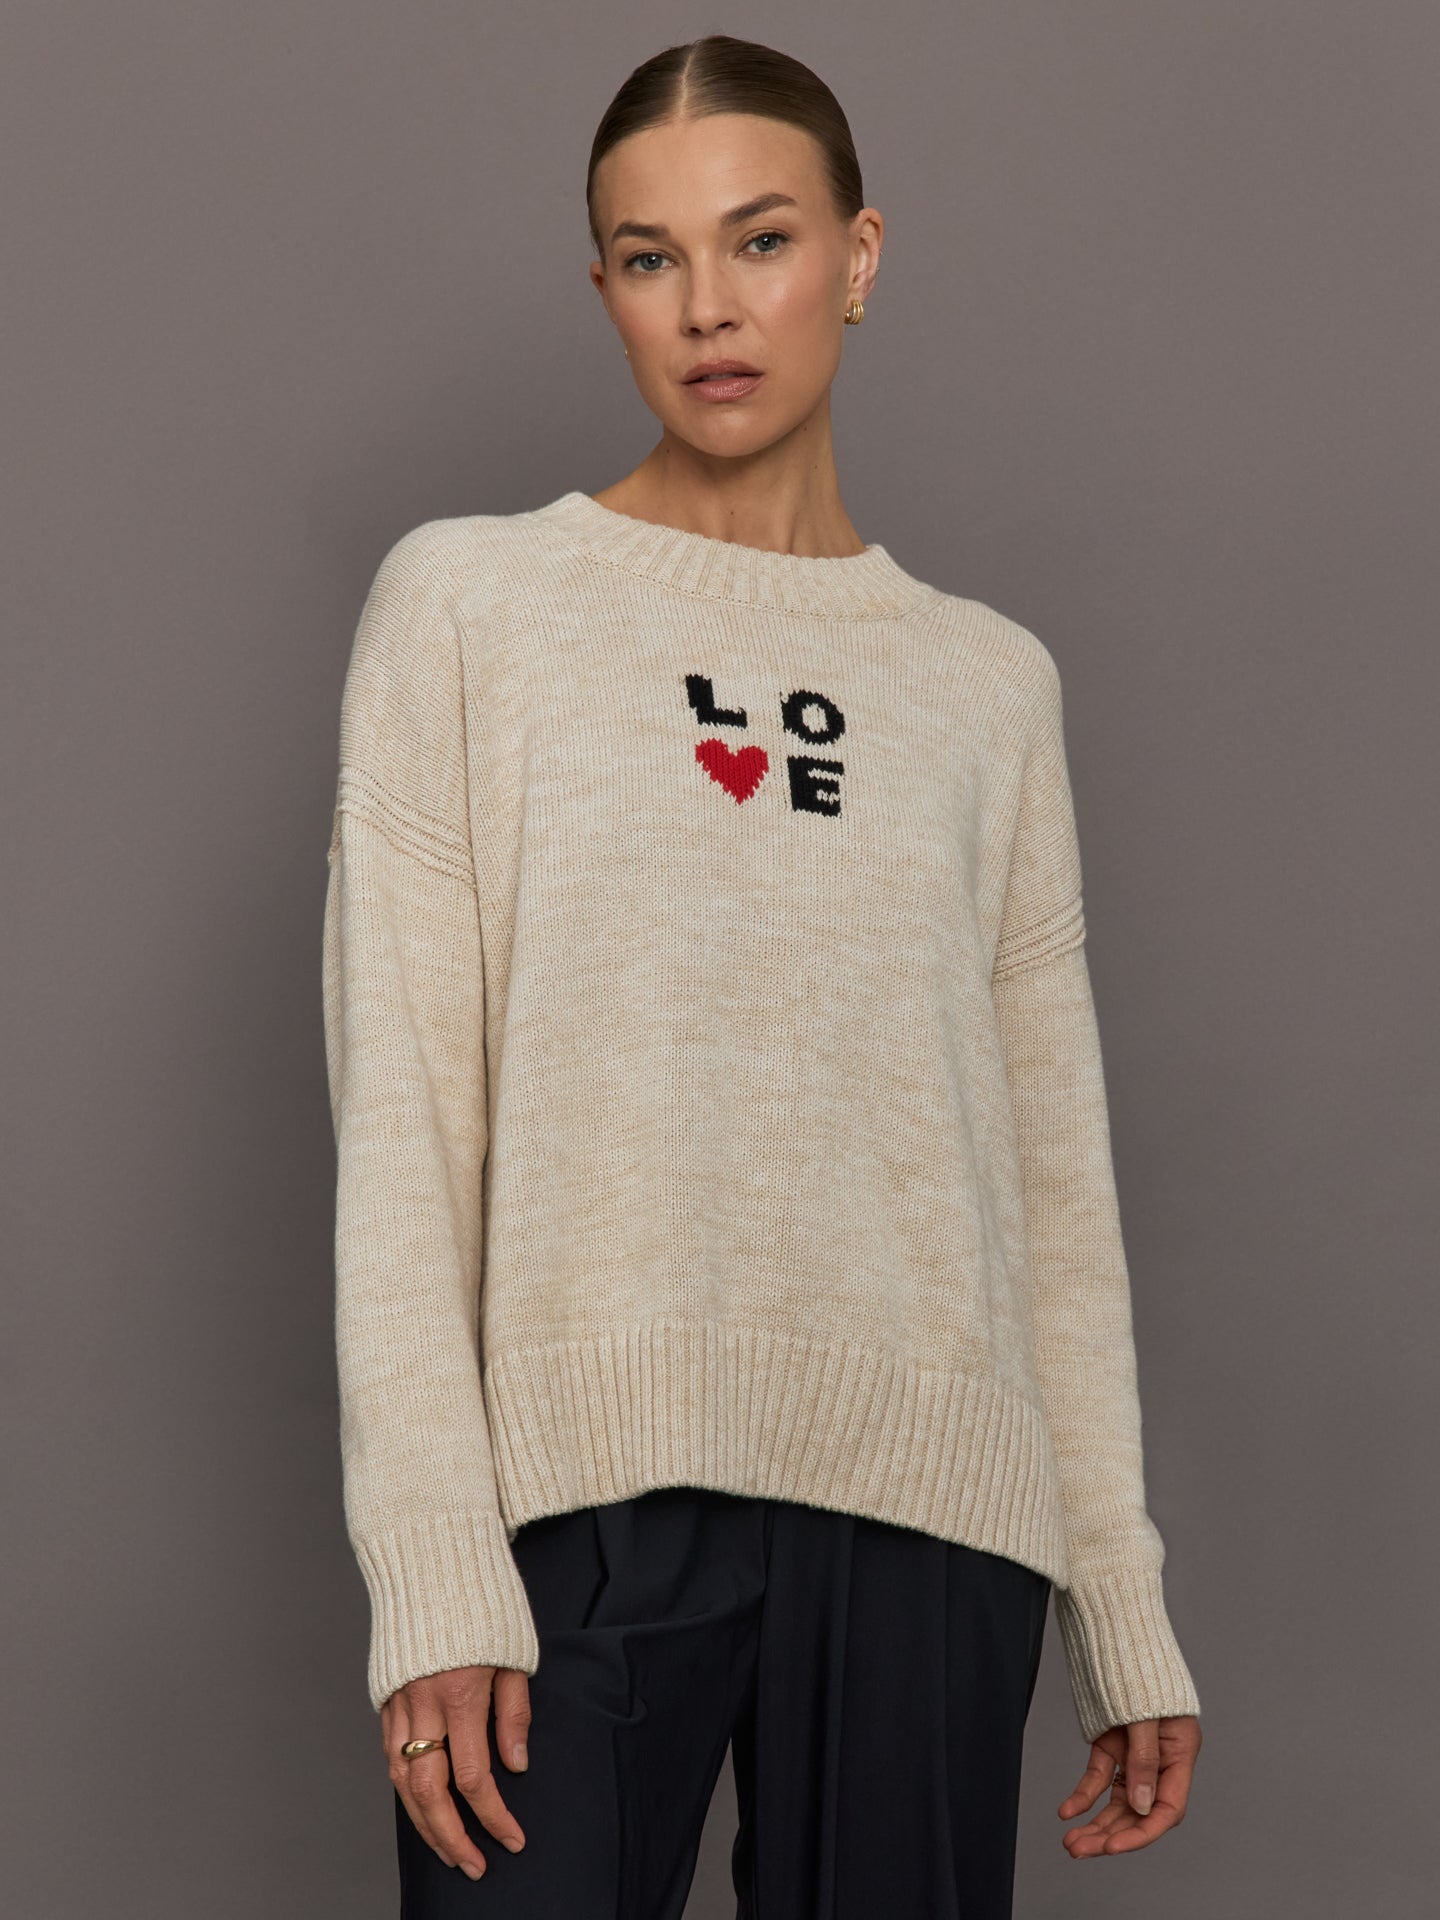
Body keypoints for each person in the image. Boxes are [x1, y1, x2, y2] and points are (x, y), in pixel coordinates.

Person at [321, 31, 1203, 1918]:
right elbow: (402, 1121)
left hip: (931, 1526)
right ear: (606, 289)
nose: (709, 307)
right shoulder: (470, 607)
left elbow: (1050, 1184)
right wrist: (433, 1565)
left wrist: (1118, 1594)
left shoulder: (988, 685)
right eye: (652, 258)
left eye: (763, 239)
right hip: (576, 1515)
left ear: (860, 258)